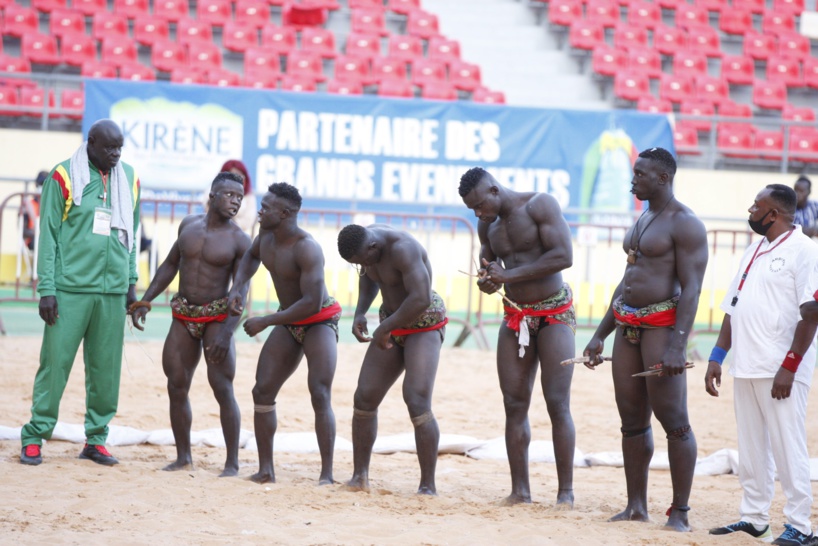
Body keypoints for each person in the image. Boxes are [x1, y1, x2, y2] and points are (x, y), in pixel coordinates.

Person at [583, 147, 708, 531]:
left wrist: (677, 345)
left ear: (663, 178)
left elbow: (692, 289)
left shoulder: (685, 223)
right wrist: (599, 334)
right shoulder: (645, 216)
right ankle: (636, 505)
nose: (632, 179)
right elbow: (628, 281)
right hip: (626, 327)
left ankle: (681, 513)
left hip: (660, 330)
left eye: (639, 174)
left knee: (674, 421)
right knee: (631, 420)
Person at [19, 119, 141, 467]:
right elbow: (49, 235)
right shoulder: (63, 177)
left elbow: (131, 234)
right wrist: (47, 289)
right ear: (91, 143)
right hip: (69, 291)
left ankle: (97, 439)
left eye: (120, 148)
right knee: (54, 364)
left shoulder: (130, 179)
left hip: (112, 293)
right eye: (109, 148)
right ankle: (34, 435)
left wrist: (131, 285)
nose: (116, 154)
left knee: (106, 369)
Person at [458, 166, 577, 508]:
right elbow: (488, 262)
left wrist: (509, 274)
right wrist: (488, 279)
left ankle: (565, 492)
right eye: (472, 210)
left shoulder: (540, 204)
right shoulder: (487, 223)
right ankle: (520, 490)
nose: (478, 213)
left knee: (557, 403)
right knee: (514, 404)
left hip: (554, 312)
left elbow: (563, 256)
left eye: (481, 205)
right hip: (516, 316)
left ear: (494, 190)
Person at [706, 184, 818, 546]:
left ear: (773, 214)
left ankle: (801, 525)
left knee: (788, 447)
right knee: (752, 449)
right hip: (747, 365)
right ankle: (754, 518)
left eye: (757, 205)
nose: (750, 210)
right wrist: (717, 356)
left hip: (781, 369)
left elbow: (812, 312)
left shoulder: (806, 250)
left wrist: (789, 366)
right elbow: (733, 305)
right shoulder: (754, 249)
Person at [130, 172, 251, 476]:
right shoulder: (188, 225)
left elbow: (240, 292)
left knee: (222, 387)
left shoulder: (239, 239)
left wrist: (226, 334)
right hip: (184, 314)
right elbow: (171, 263)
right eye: (229, 195)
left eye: (239, 197)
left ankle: (232, 463)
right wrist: (146, 299)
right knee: (176, 385)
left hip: (216, 317)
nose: (235, 201)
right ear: (212, 195)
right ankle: (183, 457)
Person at [226, 182, 340, 485]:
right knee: (262, 390)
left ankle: (327, 474)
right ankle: (266, 470)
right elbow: (250, 257)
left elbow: (312, 302)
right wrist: (238, 286)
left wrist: (267, 320)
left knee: (319, 392)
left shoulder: (307, 247)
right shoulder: (265, 236)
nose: (260, 210)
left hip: (318, 320)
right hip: (290, 320)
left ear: (286, 213)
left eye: (266, 207)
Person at [336, 224, 446, 495]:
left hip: (424, 322)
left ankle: (427, 486)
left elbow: (420, 298)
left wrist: (385, 328)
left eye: (363, 260)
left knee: (417, 399)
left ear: (373, 247)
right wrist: (361, 311)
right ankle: (359, 476)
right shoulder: (365, 246)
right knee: (364, 396)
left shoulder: (403, 248)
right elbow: (368, 276)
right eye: (356, 264)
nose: (362, 266)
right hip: (392, 320)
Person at [221, 159, 256, 234]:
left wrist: (232, 223)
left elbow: (248, 221)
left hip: (239, 234)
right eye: (231, 175)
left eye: (239, 176)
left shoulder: (249, 196)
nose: (235, 179)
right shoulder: (215, 190)